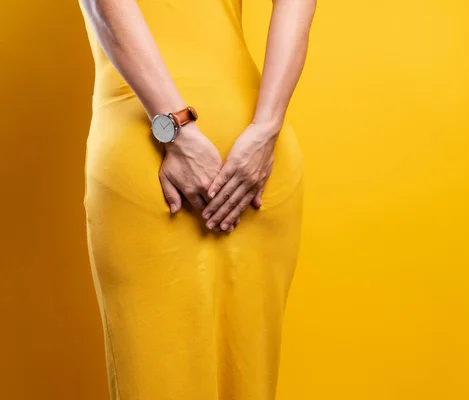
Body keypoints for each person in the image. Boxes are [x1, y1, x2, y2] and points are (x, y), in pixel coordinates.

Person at [78, 0, 316, 398]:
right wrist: (266, 129)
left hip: (150, 146)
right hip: (255, 155)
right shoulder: (260, 142)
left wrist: (177, 130)